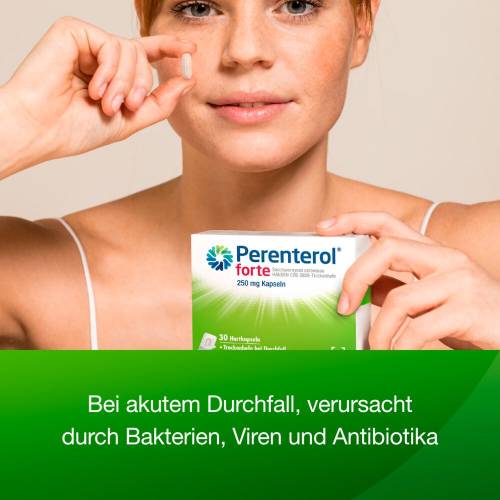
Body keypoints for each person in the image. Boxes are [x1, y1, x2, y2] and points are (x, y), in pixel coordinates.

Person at [0, 0, 499, 350]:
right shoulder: (36, 281)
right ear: (145, 25)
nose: (244, 50)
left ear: (362, 27)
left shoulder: (481, 255)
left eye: (297, 4)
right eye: (199, 7)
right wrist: (14, 125)